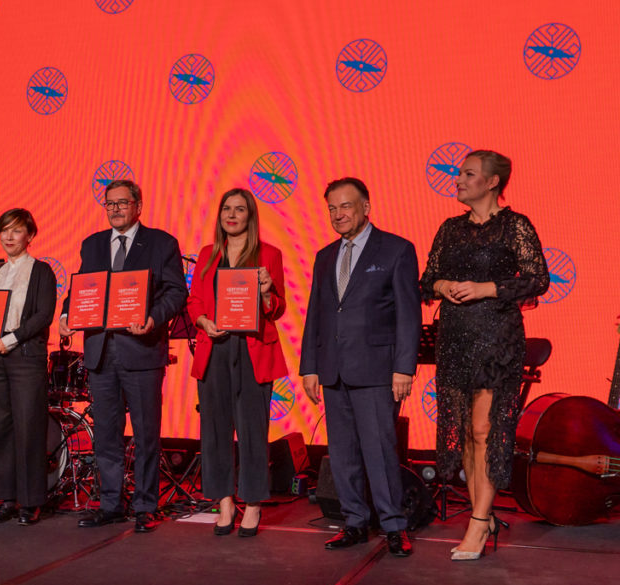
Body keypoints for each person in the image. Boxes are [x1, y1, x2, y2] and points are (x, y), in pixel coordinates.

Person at [420, 150, 549, 561]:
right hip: (455, 338)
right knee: (466, 432)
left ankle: (477, 524)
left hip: (496, 337)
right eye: (459, 173)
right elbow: (427, 279)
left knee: (483, 430)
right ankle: (484, 514)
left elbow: (538, 278)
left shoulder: (515, 226)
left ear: (492, 182)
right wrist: (443, 286)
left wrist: (486, 288)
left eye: (468, 174)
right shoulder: (450, 228)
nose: (458, 179)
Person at [300, 177, 420, 556]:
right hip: (333, 370)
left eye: (346, 206)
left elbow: (408, 315)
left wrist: (404, 368)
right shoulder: (324, 256)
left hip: (376, 370)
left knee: (380, 451)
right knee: (343, 453)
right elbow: (316, 315)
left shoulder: (397, 250)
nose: (338, 214)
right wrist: (309, 366)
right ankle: (353, 522)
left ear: (366, 207)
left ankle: (394, 526)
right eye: (332, 208)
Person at [59, 179, 187, 533]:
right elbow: (81, 289)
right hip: (100, 352)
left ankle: (146, 505)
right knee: (106, 435)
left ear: (138, 206)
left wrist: (153, 318)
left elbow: (177, 292)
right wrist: (67, 314)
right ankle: (111, 504)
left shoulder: (161, 243)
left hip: (142, 350)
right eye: (109, 204)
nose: (115, 209)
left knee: (146, 433)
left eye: (122, 203)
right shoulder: (92, 244)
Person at [187, 188, 288, 537]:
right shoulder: (207, 254)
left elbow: (277, 308)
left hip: (252, 349)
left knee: (252, 430)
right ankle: (225, 501)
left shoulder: (269, 254)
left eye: (239, 209)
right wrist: (203, 321)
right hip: (214, 348)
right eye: (226, 209)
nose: (231, 215)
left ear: (251, 216)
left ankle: (254, 503)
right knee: (215, 431)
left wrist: (266, 291)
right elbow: (194, 302)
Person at [0, 209, 57, 526]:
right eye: (4, 231)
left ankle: (31, 501)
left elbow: (43, 315)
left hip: (25, 356)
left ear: (30, 235)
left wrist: (11, 339)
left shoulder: (42, 271)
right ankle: (6, 498)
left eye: (16, 230)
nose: (8, 237)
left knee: (28, 428)